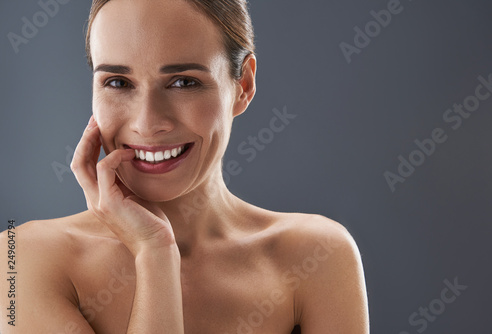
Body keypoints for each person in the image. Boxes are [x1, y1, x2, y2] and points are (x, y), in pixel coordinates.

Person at [0, 0, 369, 333]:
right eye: (117, 82)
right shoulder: (16, 261)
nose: (147, 122)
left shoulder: (319, 258)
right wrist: (155, 255)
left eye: (183, 82)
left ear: (243, 85)